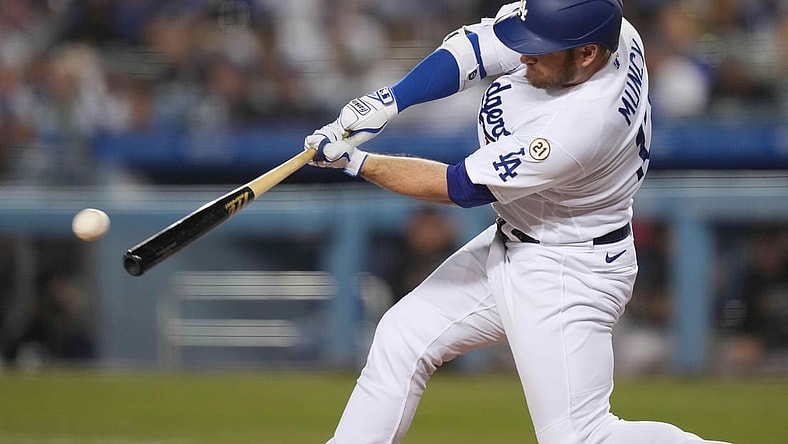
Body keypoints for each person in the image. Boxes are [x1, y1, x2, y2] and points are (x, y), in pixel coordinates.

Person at [305, 1, 731, 443]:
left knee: (580, 436)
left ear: (587, 54)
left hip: (568, 269)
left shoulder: (582, 125)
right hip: (520, 237)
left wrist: (357, 162)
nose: (525, 54)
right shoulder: (610, 31)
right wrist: (393, 99)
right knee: (402, 337)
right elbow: (477, 49)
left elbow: (457, 187)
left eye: (541, 48)